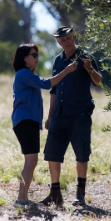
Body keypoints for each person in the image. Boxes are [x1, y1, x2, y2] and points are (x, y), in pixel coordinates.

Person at [39, 26, 102, 207]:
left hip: (80, 113)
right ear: (58, 42)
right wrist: (50, 115)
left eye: (68, 38)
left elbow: (98, 82)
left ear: (74, 37)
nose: (65, 42)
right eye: (62, 40)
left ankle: (80, 194)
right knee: (52, 153)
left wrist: (90, 69)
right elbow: (54, 90)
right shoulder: (58, 60)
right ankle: (55, 194)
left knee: (82, 154)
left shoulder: (86, 57)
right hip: (59, 113)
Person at [11, 43, 77, 208]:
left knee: (31, 161)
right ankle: (20, 199)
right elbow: (48, 84)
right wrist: (68, 70)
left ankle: (24, 198)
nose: (36, 58)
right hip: (25, 122)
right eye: (33, 55)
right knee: (30, 161)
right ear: (24, 57)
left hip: (29, 122)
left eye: (37, 55)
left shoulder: (27, 75)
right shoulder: (23, 73)